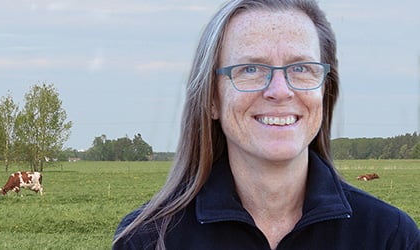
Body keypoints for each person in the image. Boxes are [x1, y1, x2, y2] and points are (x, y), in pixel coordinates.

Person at [113, 0, 420, 249]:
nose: (280, 90)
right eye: (250, 69)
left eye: (301, 68)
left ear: (324, 92)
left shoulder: (390, 237)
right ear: (212, 100)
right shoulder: (148, 241)